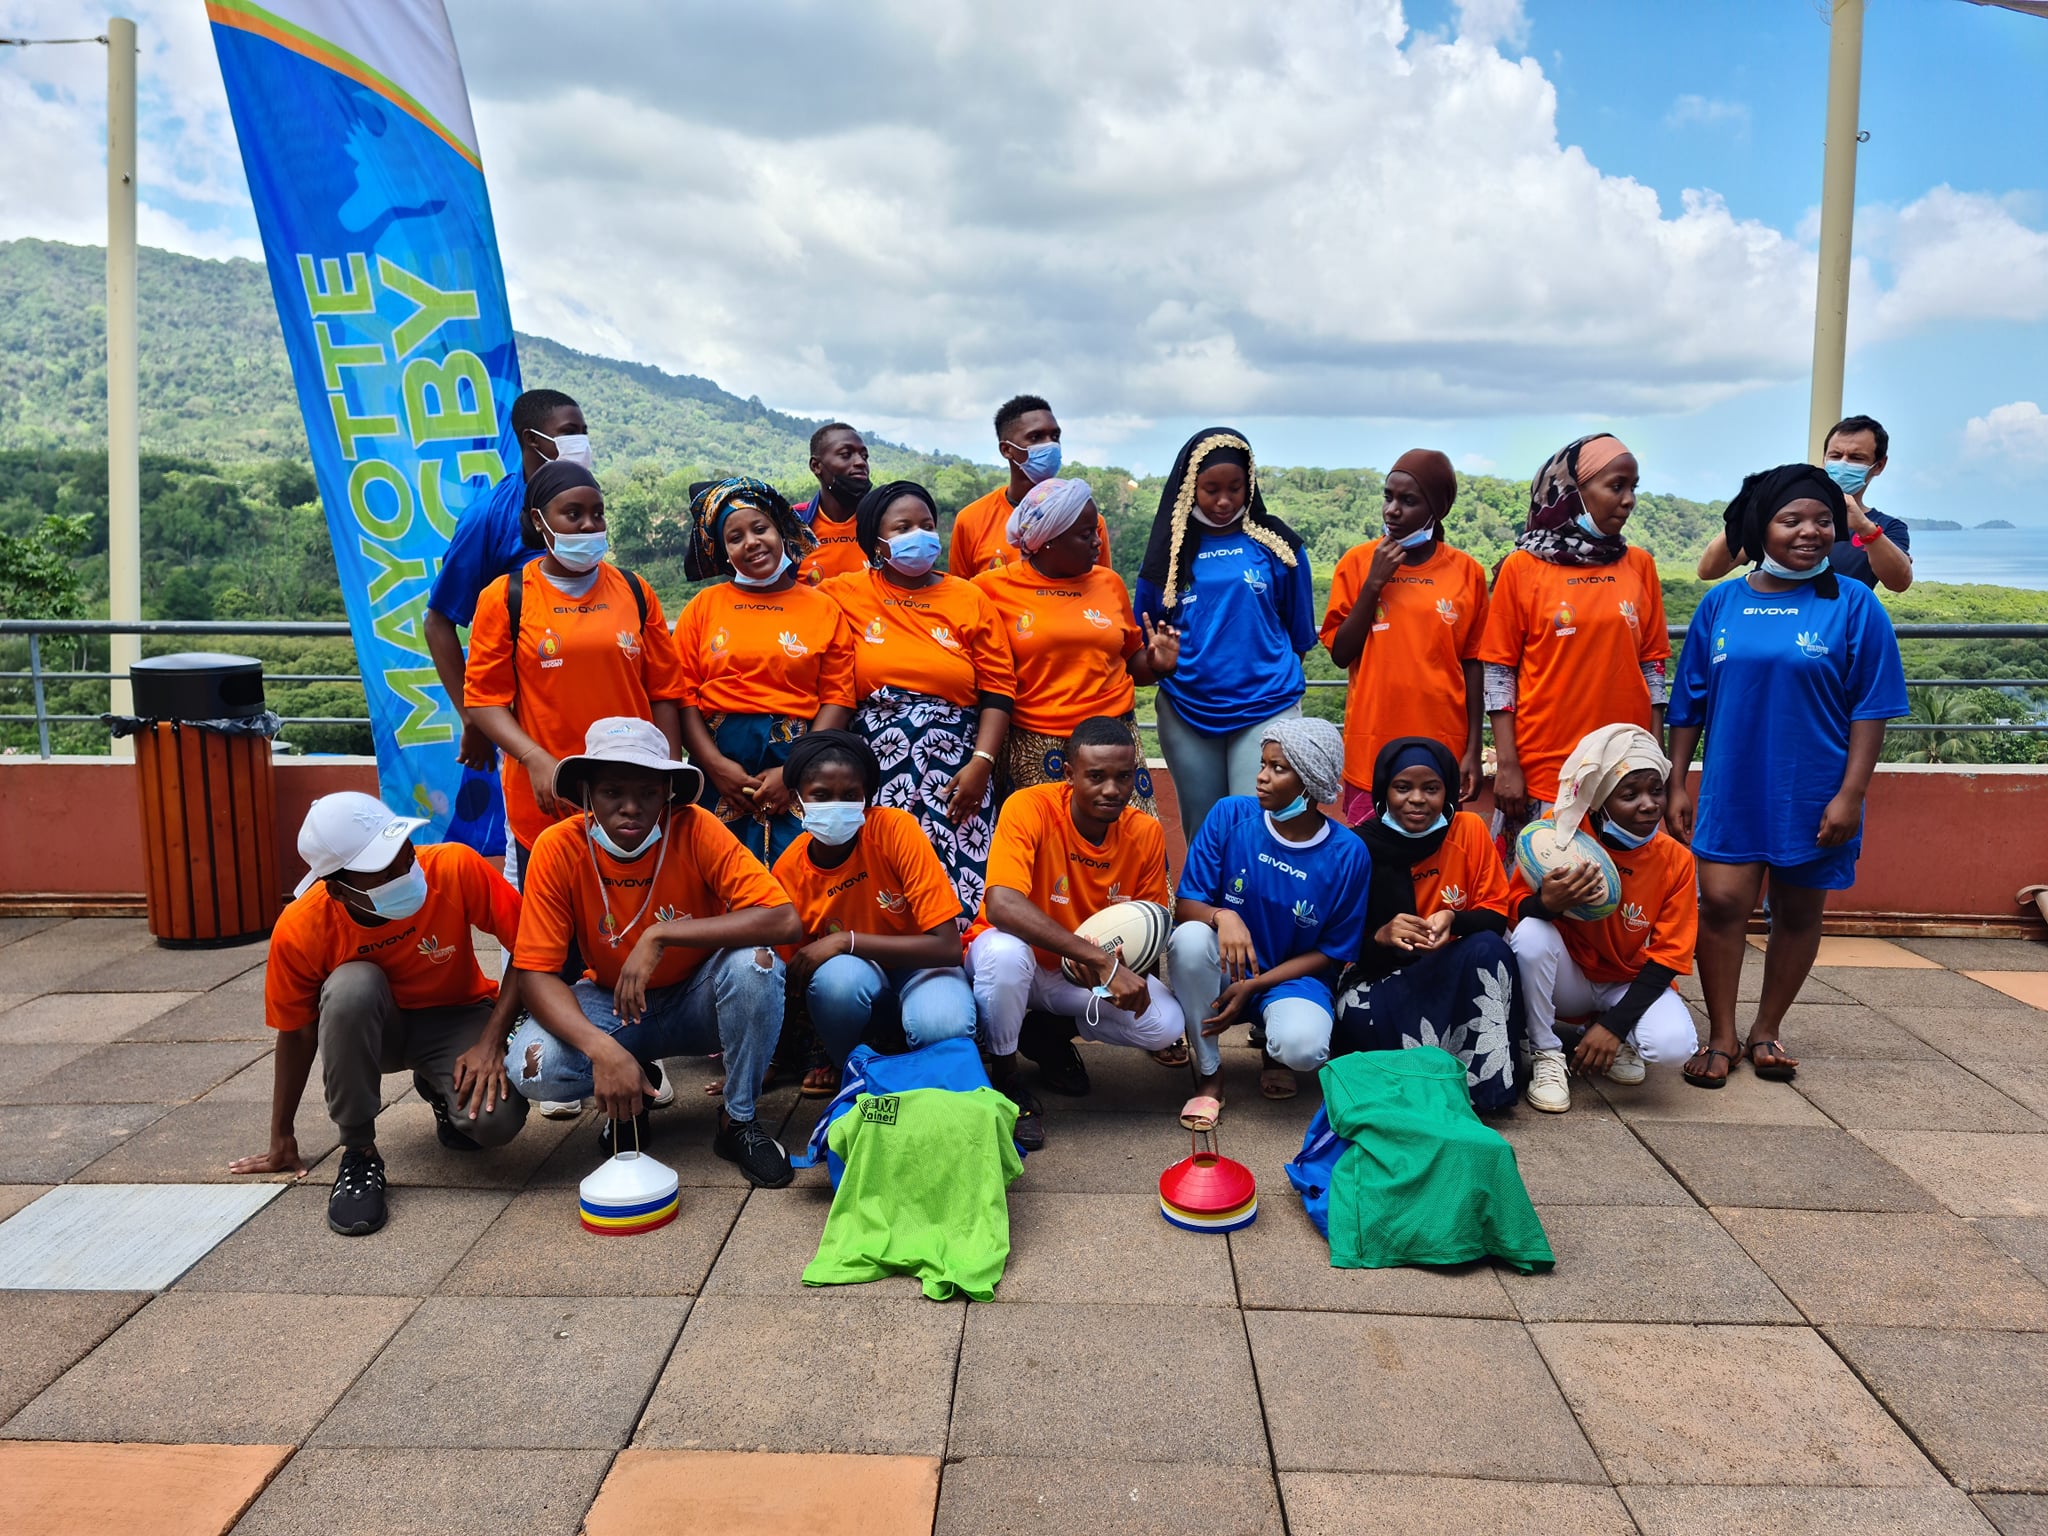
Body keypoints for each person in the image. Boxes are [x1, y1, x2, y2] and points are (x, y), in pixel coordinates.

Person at [1667, 464, 1907, 1087]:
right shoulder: (1721, 602)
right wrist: (1676, 781)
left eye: (1823, 520)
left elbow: (1873, 707)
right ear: (1761, 528)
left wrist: (1851, 794)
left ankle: (1766, 1029)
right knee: (1721, 904)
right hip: (1732, 787)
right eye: (1792, 519)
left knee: (1797, 912)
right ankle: (1721, 1034)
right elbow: (1688, 703)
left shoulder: (1854, 604)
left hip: (1815, 790)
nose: (1810, 531)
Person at [503, 717, 802, 1186]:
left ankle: (739, 1120)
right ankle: (632, 1091)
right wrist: (604, 1051)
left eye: (647, 793)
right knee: (533, 1066)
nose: (630, 807)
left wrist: (662, 935)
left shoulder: (696, 826)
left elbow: (783, 918)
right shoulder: (557, 846)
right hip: (614, 1004)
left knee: (757, 964)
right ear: (586, 793)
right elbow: (536, 973)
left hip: (698, 995)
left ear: (667, 792)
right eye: (612, 792)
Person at [231, 793, 528, 1236]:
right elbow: (296, 1033)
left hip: (454, 1014)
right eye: (384, 873)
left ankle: (438, 1088)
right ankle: (359, 1154)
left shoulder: (453, 866)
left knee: (496, 1122)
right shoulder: (301, 928)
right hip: (374, 1030)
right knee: (353, 985)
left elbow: (530, 947)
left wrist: (491, 1042)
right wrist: (282, 1135)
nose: (405, 872)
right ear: (336, 889)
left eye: (405, 854)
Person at [967, 716, 1186, 1148]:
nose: (1112, 790)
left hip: (1078, 976)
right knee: (1006, 956)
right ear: (1069, 774)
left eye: (1124, 777)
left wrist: (1123, 972)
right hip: (1019, 960)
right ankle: (1006, 1078)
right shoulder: (1029, 807)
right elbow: (1002, 905)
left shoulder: (1144, 832)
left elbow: (1149, 922)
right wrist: (1100, 960)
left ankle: (1047, 1035)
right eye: (1096, 776)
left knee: (1164, 1023)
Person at [462, 461, 687, 875]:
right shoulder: (506, 598)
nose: (589, 525)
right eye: (573, 514)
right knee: (552, 908)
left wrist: (669, 772)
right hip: (547, 797)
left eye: (597, 513)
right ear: (539, 520)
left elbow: (664, 692)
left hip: (633, 799)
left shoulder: (635, 590)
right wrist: (534, 758)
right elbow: (483, 700)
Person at [821, 480, 1016, 918]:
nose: (920, 535)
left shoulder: (969, 597)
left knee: (959, 877)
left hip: (957, 766)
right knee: (882, 872)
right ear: (876, 542)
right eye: (903, 527)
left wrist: (981, 764)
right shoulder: (843, 593)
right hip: (877, 762)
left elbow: (998, 689)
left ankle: (959, 950)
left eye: (927, 525)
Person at [1167, 718, 1371, 1127]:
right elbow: (1186, 906)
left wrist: (1256, 985)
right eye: (1263, 764)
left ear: (1310, 782)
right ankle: (1210, 1076)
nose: (1261, 777)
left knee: (1303, 1048)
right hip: (1225, 968)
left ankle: (1274, 1050)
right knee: (1188, 941)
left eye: (1278, 768)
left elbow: (1333, 952)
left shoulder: (1348, 853)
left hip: (1293, 980)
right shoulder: (1229, 816)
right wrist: (1223, 915)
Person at [1135, 427, 1319, 844]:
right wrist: (1158, 661)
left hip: (1266, 705)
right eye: (1211, 490)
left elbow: (1299, 637)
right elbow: (1143, 641)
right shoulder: (1167, 554)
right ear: (1189, 488)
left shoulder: (1281, 547)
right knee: (1204, 830)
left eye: (1235, 488)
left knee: (1256, 826)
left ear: (1249, 483)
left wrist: (1262, 678)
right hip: (1187, 710)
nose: (1224, 501)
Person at [1480, 435, 1670, 839]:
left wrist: (1655, 757)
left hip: (1625, 770)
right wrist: (1508, 764)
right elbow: (1498, 672)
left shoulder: (1640, 566)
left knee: (1623, 878)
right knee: (1546, 876)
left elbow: (1652, 668)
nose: (1629, 500)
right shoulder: (1522, 568)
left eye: (1633, 487)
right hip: (1546, 768)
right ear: (1573, 492)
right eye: (1616, 486)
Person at [1506, 726, 1699, 1114]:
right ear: (1598, 801)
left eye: (1656, 790)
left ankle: (1618, 1036)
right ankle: (1546, 1052)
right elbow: (1514, 913)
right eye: (1630, 795)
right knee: (1530, 934)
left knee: (1673, 1046)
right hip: (1570, 977)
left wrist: (1615, 1025)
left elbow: (1670, 956)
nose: (1649, 805)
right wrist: (1547, 904)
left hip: (1625, 980)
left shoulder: (1676, 860)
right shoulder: (1559, 835)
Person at [1330, 737, 1523, 1112]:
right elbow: (1336, 943)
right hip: (1383, 977)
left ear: (1448, 790)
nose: (1417, 799)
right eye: (1402, 787)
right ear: (1384, 791)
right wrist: (1382, 936)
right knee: (1355, 1014)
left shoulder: (1468, 830)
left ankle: (1482, 1088)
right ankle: (1426, 1075)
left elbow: (1496, 913)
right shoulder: (1358, 847)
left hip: (1451, 972)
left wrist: (1454, 918)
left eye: (1431, 788)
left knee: (1490, 948)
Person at [673, 477, 856, 864]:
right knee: (716, 873)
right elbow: (682, 697)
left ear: (780, 531)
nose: (751, 543)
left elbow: (838, 698)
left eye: (760, 528)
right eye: (735, 537)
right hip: (719, 764)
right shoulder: (703, 607)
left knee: (798, 874)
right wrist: (716, 767)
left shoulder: (823, 608)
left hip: (801, 761)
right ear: (723, 551)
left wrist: (794, 771)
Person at [771, 730, 975, 1076]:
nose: (837, 805)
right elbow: (795, 975)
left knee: (943, 1026)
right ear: (796, 799)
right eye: (821, 795)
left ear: (867, 797)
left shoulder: (896, 830)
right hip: (855, 979)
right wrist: (769, 1059)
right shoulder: (789, 870)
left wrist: (844, 941)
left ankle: (908, 1062)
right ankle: (853, 1066)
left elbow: (948, 948)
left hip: (924, 967)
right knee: (835, 984)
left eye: (851, 795)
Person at [972, 476, 1178, 814]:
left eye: (1096, 530)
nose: (1098, 542)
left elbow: (1131, 664)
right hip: (1036, 742)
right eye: (1085, 535)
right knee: (1046, 841)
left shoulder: (1109, 583)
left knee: (1131, 836)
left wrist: (1158, 664)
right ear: (1048, 540)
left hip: (1113, 738)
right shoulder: (990, 590)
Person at [424, 389, 591, 777]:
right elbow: (438, 621)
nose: (582, 443)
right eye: (570, 432)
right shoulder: (488, 517)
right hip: (528, 719)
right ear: (532, 439)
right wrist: (472, 717)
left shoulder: (584, 501)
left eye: (584, 432)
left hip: (591, 707)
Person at [1321, 449, 1488, 821]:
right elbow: (1340, 653)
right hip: (1371, 751)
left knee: (1437, 853)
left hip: (1442, 750)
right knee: (1370, 852)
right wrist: (1373, 584)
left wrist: (1473, 750)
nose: (1392, 510)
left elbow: (1473, 665)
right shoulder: (1356, 563)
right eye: (1388, 497)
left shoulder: (1467, 573)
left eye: (1408, 501)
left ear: (1436, 509)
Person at [1694, 416, 1912, 594]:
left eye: (1856, 458)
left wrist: (1865, 528)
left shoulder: (1886, 527)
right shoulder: (1780, 511)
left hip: (1836, 624)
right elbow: (1708, 570)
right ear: (1824, 458)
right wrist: (1747, 510)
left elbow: (1899, 582)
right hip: (1770, 615)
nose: (1843, 463)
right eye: (1835, 455)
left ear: (1878, 465)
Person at [948, 395, 1112, 575]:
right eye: (1036, 437)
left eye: (1055, 436)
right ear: (1006, 450)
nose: (1050, 444)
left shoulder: (1089, 522)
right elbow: (961, 590)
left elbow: (1100, 585)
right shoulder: (971, 521)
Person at [793, 422, 874, 584]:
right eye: (846, 454)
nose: (860, 462)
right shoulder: (792, 524)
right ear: (816, 466)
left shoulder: (880, 523)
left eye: (864, 456)